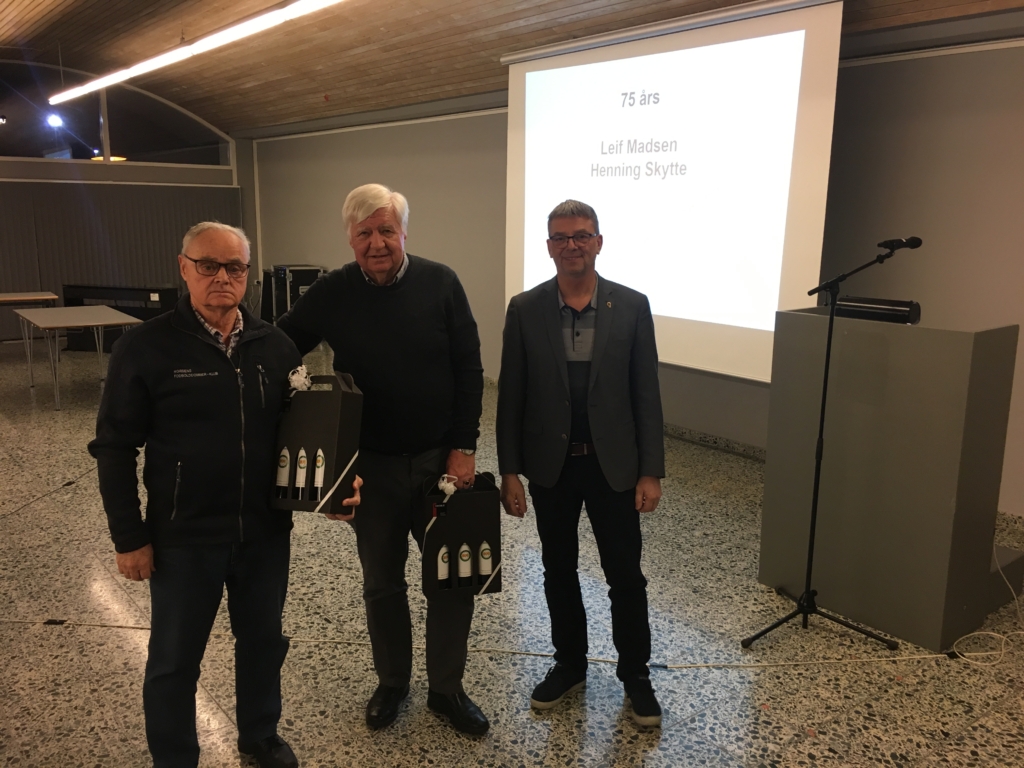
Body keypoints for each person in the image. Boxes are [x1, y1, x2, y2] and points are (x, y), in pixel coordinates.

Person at [89, 222, 361, 768]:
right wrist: (129, 536)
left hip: (264, 533)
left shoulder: (275, 346)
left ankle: (259, 734)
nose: (222, 277)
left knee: (263, 644)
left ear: (248, 275)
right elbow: (114, 447)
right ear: (184, 268)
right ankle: (174, 757)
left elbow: (299, 435)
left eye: (234, 267)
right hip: (183, 537)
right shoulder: (144, 347)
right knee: (173, 660)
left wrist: (332, 487)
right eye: (208, 265)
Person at [276, 183, 488, 735]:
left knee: (452, 579)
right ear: (350, 238)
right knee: (382, 582)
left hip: (440, 464)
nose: (377, 243)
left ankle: (447, 688)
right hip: (368, 468)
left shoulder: (441, 283)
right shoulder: (332, 292)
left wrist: (464, 448)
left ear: (404, 233)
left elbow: (469, 368)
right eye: (365, 232)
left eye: (386, 230)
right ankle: (392, 681)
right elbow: (278, 346)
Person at [496, 199, 665, 727]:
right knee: (558, 571)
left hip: (614, 468)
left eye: (582, 235)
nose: (572, 245)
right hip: (553, 468)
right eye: (561, 237)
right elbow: (511, 396)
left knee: (625, 576)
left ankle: (636, 675)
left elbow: (646, 394)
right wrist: (508, 471)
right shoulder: (525, 309)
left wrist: (651, 470)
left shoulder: (631, 305)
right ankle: (569, 665)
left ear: (598, 242)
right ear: (549, 246)